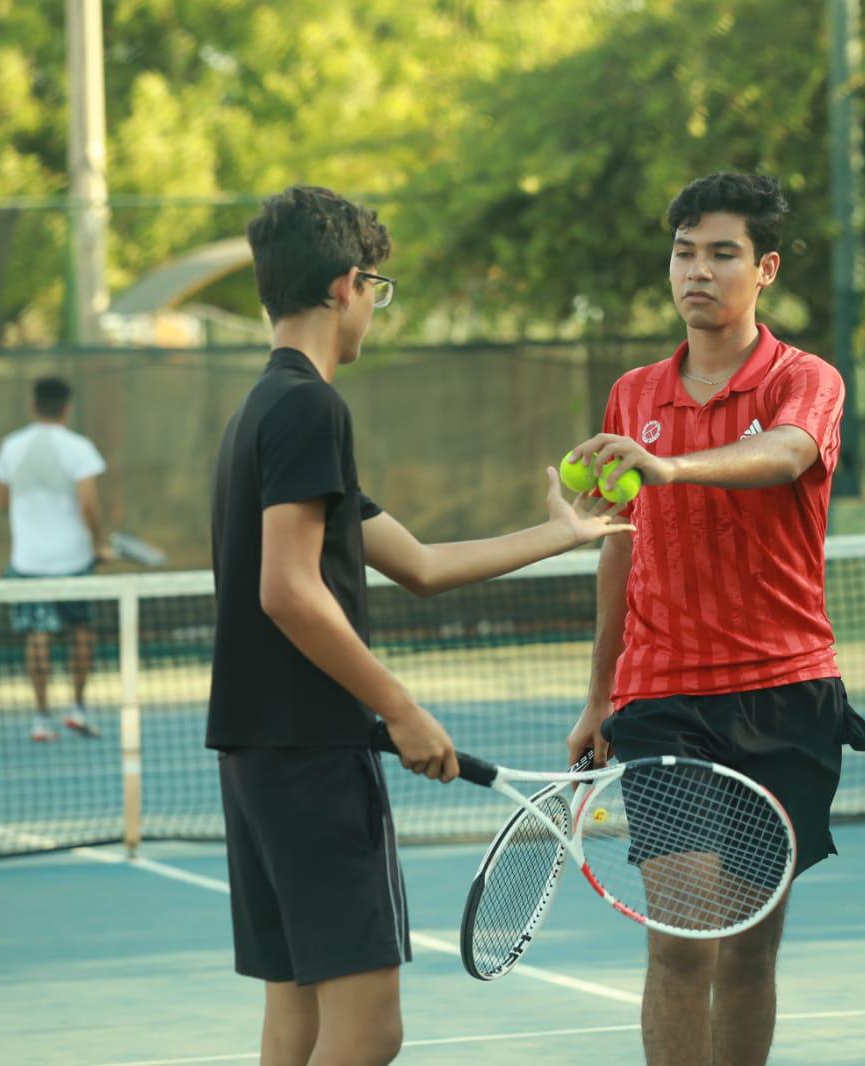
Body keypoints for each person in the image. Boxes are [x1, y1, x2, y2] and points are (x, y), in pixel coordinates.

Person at [208, 184, 632, 1066]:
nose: (375, 308)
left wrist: (563, 534)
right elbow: (286, 590)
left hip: (257, 754)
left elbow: (423, 566)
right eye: (377, 289)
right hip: (315, 753)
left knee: (297, 1023)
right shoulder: (310, 408)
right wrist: (399, 707)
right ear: (344, 285)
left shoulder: (260, 411)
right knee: (368, 1034)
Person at [564, 171, 865, 1066]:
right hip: (665, 700)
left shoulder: (804, 380)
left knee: (746, 950)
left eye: (722, 254)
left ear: (764, 267)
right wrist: (600, 695)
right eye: (684, 252)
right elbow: (620, 548)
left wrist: (675, 468)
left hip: (787, 695)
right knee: (681, 935)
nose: (697, 271)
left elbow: (786, 455)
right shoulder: (633, 395)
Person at [0, 376, 110, 741]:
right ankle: (76, 708)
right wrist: (98, 543)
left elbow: (3, 501)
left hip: (28, 562)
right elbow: (88, 504)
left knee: (37, 635)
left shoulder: (11, 447)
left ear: (34, 405)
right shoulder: (79, 448)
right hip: (73, 560)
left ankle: (41, 718)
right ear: (66, 408)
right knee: (81, 633)